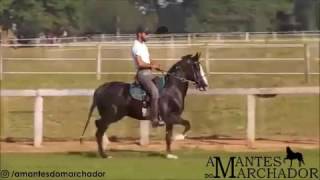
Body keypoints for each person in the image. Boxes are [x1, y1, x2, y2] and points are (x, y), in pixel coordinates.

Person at [132, 26, 164, 127]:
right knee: (154, 92)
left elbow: (149, 60)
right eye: (146, 33)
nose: (147, 35)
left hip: (149, 73)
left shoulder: (144, 45)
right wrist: (152, 66)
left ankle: (159, 112)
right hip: (143, 74)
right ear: (139, 34)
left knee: (163, 85)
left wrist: (156, 65)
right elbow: (140, 64)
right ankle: (154, 119)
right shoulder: (136, 46)